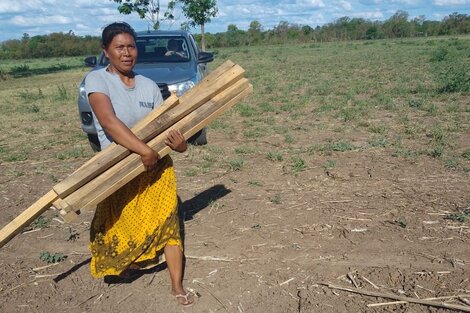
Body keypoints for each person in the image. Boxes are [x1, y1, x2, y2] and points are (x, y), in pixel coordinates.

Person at [84, 22, 193, 308]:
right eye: (119, 47)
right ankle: (125, 266)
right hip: (120, 169)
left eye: (131, 46)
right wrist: (143, 149)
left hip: (156, 168)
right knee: (115, 226)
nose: (127, 52)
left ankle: (176, 285)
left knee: (169, 225)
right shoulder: (97, 80)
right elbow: (109, 122)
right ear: (106, 51)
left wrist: (180, 145)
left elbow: (165, 128)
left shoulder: (148, 86)